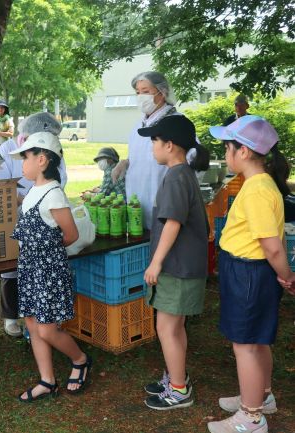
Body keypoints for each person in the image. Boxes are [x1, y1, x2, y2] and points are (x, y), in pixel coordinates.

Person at [207, 116, 295, 433]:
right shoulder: (260, 183)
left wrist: (286, 277)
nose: (225, 154)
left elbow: (272, 247)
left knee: (245, 345)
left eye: (227, 148)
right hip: (248, 271)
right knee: (256, 340)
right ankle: (261, 395)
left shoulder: (258, 189)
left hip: (249, 273)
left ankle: (252, 417)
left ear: (243, 152)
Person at [9, 131, 91, 402]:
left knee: (47, 328)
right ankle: (47, 380)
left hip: (48, 272)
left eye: (25, 158)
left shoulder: (53, 194)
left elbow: (71, 235)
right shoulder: (34, 190)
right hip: (31, 270)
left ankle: (79, 359)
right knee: (32, 324)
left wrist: (48, 253)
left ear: (41, 160)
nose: (22, 164)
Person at [137, 115, 209, 410]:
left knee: (167, 328)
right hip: (183, 265)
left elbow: (173, 223)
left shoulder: (177, 176)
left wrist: (155, 263)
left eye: (154, 140)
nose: (151, 146)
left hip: (177, 267)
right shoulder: (181, 173)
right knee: (173, 327)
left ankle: (179, 390)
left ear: (169, 145)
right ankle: (176, 377)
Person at [0, 112, 68, 337]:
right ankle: (10, 316)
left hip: (44, 213)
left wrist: (41, 198)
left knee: (35, 271)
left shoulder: (54, 150)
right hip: (11, 212)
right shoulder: (6, 148)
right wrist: (24, 199)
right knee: (11, 266)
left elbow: (61, 177)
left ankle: (38, 319)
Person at [112, 71, 182, 229]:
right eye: (137, 92)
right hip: (137, 204)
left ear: (162, 92)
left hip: (164, 205)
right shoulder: (138, 125)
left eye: (146, 92)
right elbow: (139, 154)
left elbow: (190, 161)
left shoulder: (176, 123)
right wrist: (126, 162)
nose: (140, 97)